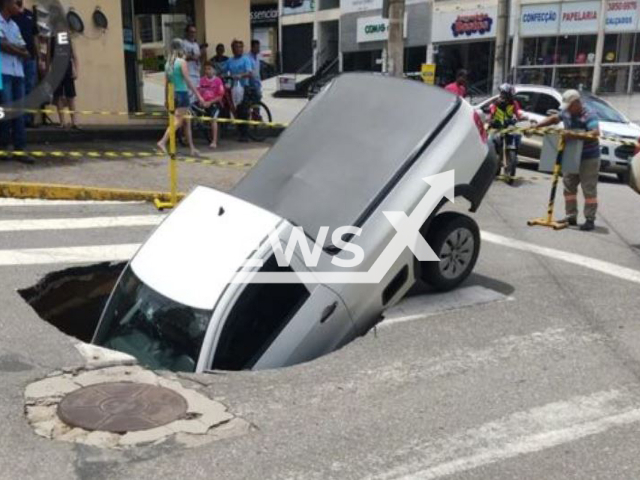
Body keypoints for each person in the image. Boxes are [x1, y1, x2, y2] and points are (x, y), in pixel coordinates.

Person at [536, 89, 600, 231]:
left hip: (588, 157)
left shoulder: (589, 114)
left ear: (577, 103)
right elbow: (554, 118)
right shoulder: (567, 112)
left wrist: (572, 135)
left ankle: (590, 219)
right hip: (571, 153)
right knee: (569, 186)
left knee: (588, 189)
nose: (567, 110)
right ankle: (571, 216)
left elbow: (595, 133)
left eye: (569, 106)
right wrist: (537, 126)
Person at [157, 38, 204, 157]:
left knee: (186, 122)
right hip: (182, 94)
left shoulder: (168, 63)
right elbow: (188, 80)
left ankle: (192, 148)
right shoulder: (181, 62)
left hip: (173, 94)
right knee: (178, 121)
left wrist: (166, 98)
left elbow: (167, 83)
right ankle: (162, 141)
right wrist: (199, 96)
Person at [0, 0, 33, 164]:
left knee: (19, 112)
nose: (19, 6)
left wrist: (12, 46)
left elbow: (26, 52)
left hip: (18, 73)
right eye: (16, 3)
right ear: (6, 3)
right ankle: (3, 148)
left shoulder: (14, 26)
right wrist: (16, 48)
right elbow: (2, 45)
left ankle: (20, 149)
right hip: (3, 72)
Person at [223, 39, 254, 142]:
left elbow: (249, 73)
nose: (239, 49)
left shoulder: (246, 59)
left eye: (240, 47)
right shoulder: (230, 61)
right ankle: (237, 130)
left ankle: (244, 134)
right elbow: (224, 70)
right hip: (233, 88)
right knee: (234, 110)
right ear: (232, 49)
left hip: (244, 87)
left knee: (243, 111)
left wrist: (240, 75)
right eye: (236, 47)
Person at [12, 0, 36, 127]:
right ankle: (16, 120)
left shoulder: (30, 14)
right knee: (16, 89)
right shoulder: (10, 13)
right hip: (15, 58)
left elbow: (35, 36)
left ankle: (28, 119)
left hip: (30, 57)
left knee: (29, 88)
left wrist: (40, 58)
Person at [51, 32, 79, 129]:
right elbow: (48, 56)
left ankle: (74, 121)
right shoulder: (52, 39)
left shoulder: (68, 39)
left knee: (70, 95)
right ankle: (62, 121)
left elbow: (74, 56)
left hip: (67, 69)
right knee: (58, 96)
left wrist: (76, 70)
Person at [198, 61, 225, 149]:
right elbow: (198, 92)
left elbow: (220, 96)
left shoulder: (218, 81)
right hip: (203, 103)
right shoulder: (201, 80)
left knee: (213, 119)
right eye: (205, 69)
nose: (207, 71)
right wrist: (201, 101)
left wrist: (210, 102)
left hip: (215, 104)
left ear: (214, 71)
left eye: (209, 69)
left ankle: (214, 141)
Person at [182, 24, 201, 103]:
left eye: (194, 32)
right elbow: (181, 57)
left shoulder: (196, 45)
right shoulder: (183, 43)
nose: (193, 34)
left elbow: (198, 57)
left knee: (196, 98)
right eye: (191, 32)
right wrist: (192, 57)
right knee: (189, 98)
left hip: (196, 74)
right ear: (187, 32)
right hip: (188, 74)